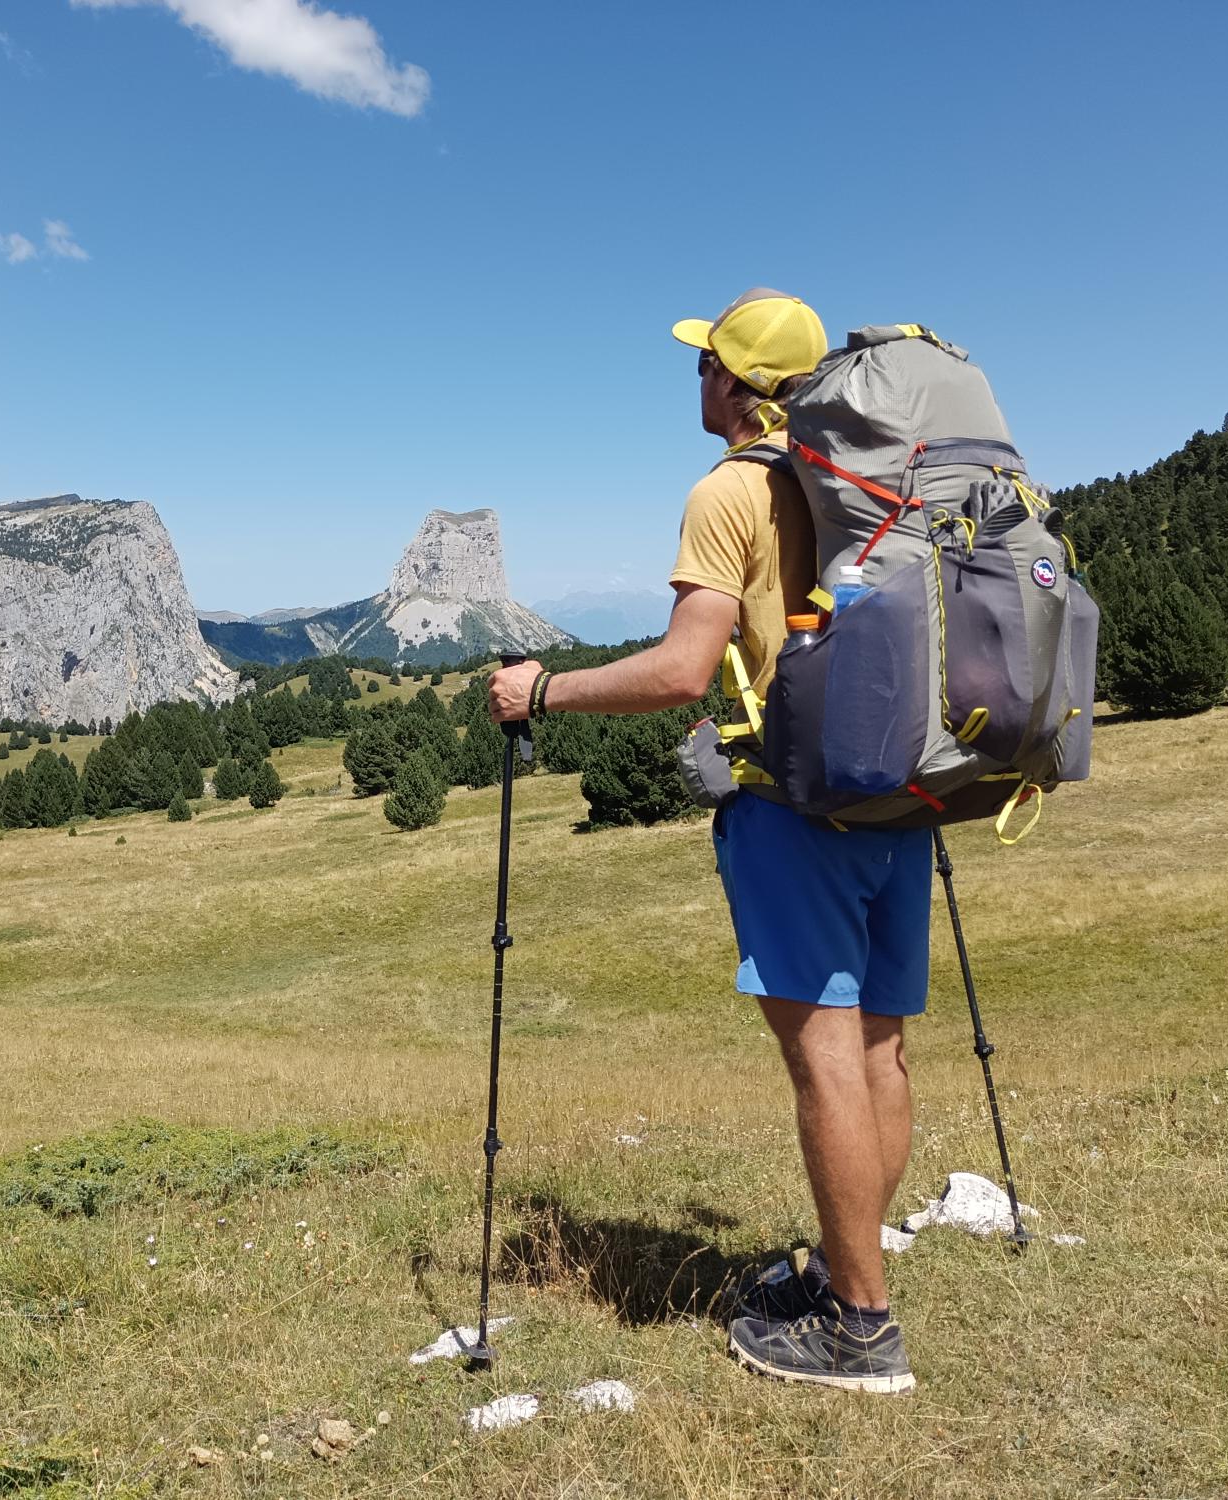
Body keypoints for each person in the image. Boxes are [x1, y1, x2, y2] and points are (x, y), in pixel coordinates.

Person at [489, 288, 923, 1395]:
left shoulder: (727, 491)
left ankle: (859, 1329)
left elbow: (684, 665)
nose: (694, 380)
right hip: (898, 793)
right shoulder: (866, 476)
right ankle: (845, 1275)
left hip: (793, 807)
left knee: (822, 1055)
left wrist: (542, 688)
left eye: (702, 365)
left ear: (734, 384)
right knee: (879, 1050)